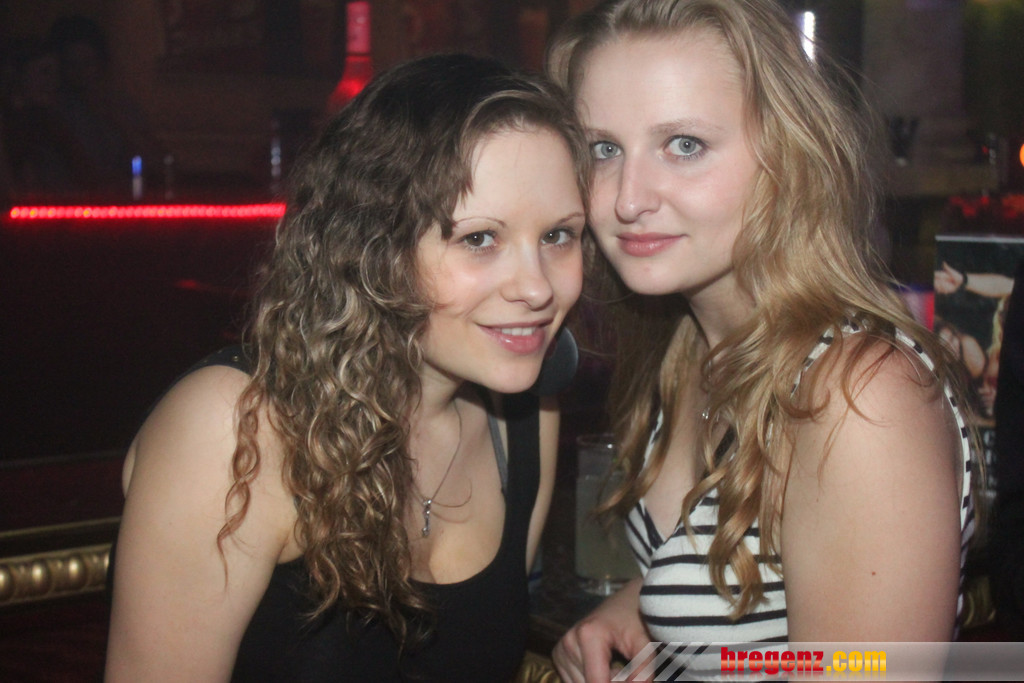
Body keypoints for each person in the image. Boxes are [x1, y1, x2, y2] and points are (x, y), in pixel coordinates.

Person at [105, 53, 590, 682]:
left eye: (558, 236)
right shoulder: (236, 429)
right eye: (478, 239)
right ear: (372, 248)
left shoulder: (523, 419)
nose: (538, 287)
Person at [545, 0, 977, 680]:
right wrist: (649, 600)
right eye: (604, 149)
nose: (627, 198)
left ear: (786, 154)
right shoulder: (690, 345)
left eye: (684, 145)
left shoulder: (859, 394)